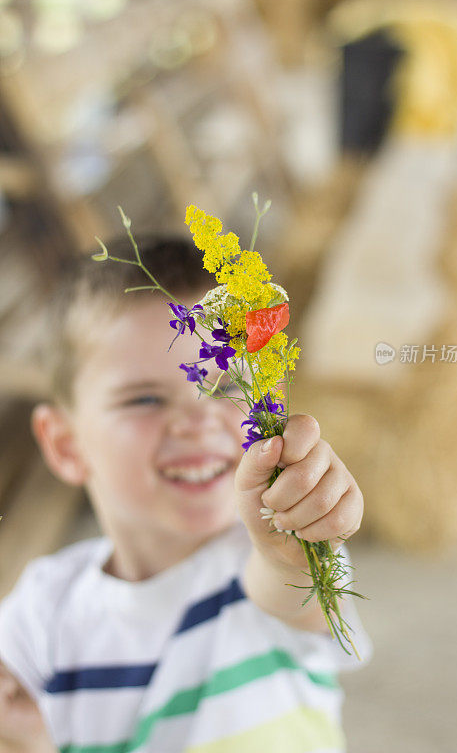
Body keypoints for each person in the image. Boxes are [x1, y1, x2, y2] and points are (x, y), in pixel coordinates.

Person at [0, 233, 373, 753]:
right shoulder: (39, 615)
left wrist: (296, 544)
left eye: (225, 388)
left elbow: (291, 587)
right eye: (146, 398)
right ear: (65, 445)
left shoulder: (266, 559)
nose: (197, 422)